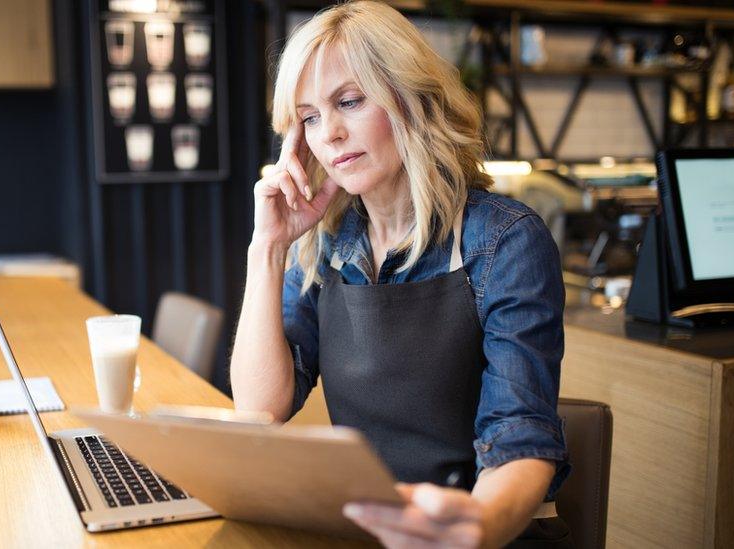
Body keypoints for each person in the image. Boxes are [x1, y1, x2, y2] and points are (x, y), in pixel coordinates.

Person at [229, 2, 571, 547]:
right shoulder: (327, 240)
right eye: (310, 117)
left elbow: (520, 434)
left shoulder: (505, 240)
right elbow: (261, 407)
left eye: (349, 101)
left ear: (409, 98)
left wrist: (475, 527)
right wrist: (267, 248)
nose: (331, 134)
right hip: (365, 528)